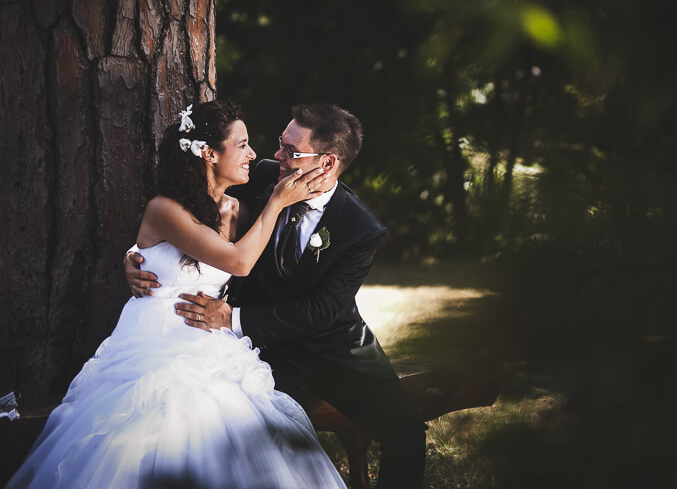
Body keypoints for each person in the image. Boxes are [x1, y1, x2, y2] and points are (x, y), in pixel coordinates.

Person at [8, 101, 346, 489]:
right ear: (209, 154)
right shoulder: (165, 208)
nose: (254, 154)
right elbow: (237, 261)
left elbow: (243, 256)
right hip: (154, 340)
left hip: (209, 340)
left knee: (232, 421)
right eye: (242, 145)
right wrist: (134, 257)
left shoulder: (238, 209)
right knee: (155, 424)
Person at [126, 103, 427, 489]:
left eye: (291, 151)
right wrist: (136, 257)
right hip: (267, 348)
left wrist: (231, 317)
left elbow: (323, 310)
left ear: (327, 163)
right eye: (281, 144)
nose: (276, 156)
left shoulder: (360, 228)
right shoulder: (262, 175)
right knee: (262, 434)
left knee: (407, 430)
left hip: (333, 346)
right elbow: (185, 209)